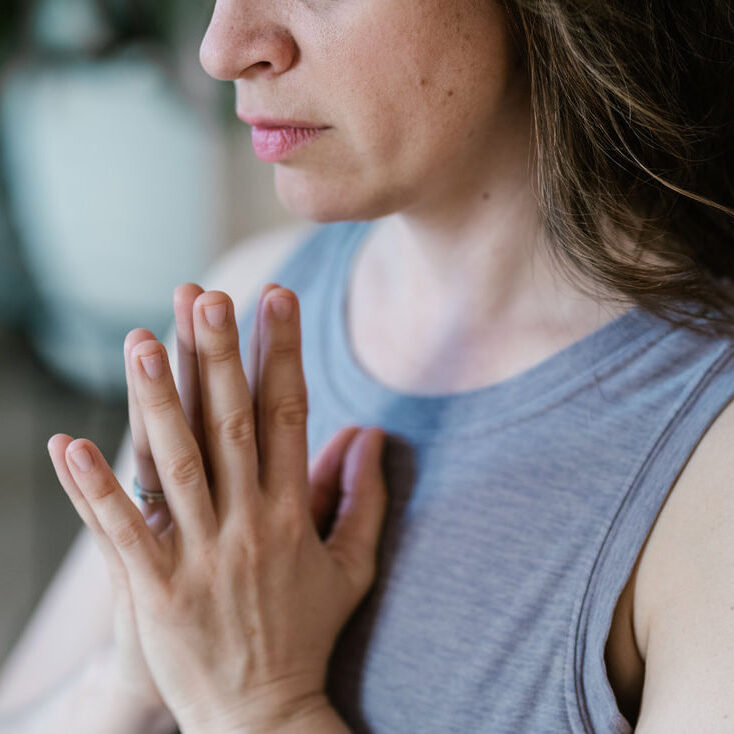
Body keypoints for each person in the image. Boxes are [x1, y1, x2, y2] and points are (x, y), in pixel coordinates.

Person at [1, 0, 733, 731]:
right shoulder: (251, 299)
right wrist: (139, 674)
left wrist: (260, 704)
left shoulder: (710, 464)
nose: (223, 50)